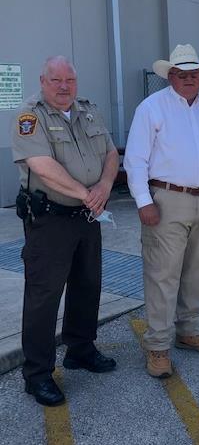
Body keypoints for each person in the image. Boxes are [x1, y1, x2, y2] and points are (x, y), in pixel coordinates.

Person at [11, 56, 119, 407]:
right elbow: (41, 166)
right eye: (55, 80)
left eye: (69, 80)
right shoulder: (31, 116)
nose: (63, 87)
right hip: (50, 219)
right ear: (43, 81)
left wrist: (104, 185)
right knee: (44, 296)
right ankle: (37, 374)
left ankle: (81, 349)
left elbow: (111, 154)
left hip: (88, 216)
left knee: (88, 285)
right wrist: (86, 194)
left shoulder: (89, 111)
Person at [124, 44, 199, 379]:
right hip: (166, 200)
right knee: (163, 273)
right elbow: (135, 160)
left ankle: (190, 331)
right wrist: (144, 201)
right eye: (182, 74)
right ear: (170, 76)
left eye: (195, 74)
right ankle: (158, 346)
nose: (189, 79)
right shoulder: (151, 108)